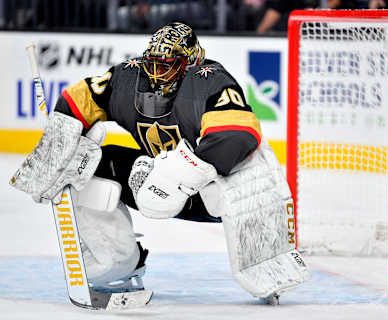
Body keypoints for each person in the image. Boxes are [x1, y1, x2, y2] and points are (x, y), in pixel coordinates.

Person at [10, 22, 310, 302]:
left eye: (167, 66)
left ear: (190, 62)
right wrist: (56, 149)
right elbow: (79, 99)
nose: (156, 74)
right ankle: (118, 263)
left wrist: (175, 174)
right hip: (156, 187)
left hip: (214, 192)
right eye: (152, 63)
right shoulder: (128, 78)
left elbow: (236, 138)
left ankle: (266, 259)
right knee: (90, 166)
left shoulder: (211, 81)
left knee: (243, 175)